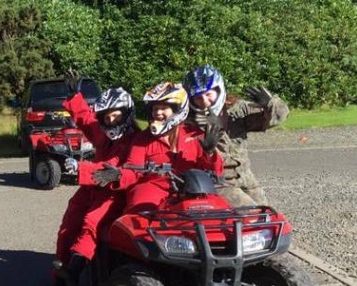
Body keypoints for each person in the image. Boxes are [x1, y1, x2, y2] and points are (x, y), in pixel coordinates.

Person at [40, 82, 139, 286]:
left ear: (127, 113)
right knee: (68, 226)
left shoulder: (135, 141)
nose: (110, 121)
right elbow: (87, 119)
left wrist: (80, 168)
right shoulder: (104, 132)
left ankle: (75, 269)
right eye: (107, 117)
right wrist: (75, 96)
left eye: (116, 116)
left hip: (113, 190)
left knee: (91, 223)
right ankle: (59, 280)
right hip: (91, 187)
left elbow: (114, 166)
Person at [183, 65, 289, 207]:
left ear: (219, 90)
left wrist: (271, 104)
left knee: (267, 216)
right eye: (198, 97)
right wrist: (211, 128)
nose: (205, 101)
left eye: (209, 94)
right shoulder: (188, 120)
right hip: (218, 181)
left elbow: (276, 118)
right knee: (251, 216)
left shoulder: (237, 109)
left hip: (246, 176)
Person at [112, 82, 223, 214]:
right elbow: (132, 170)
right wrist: (118, 175)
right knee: (141, 214)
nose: (157, 113)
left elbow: (216, 174)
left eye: (164, 108)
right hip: (152, 188)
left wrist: (210, 153)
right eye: (154, 108)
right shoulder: (142, 139)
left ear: (177, 110)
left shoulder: (195, 135)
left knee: (220, 212)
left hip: (192, 189)